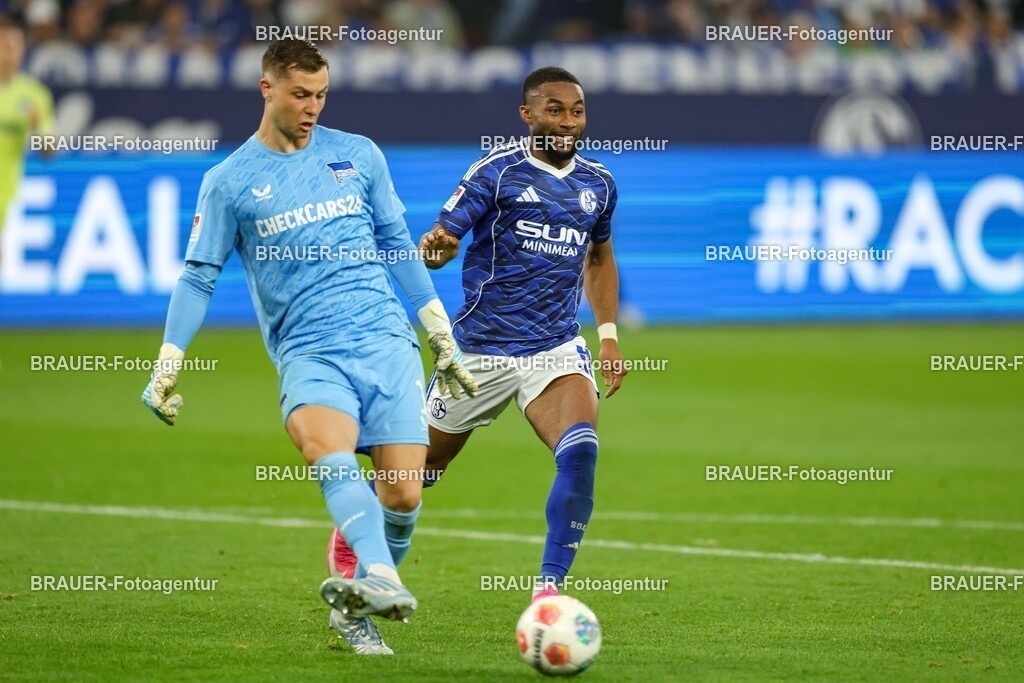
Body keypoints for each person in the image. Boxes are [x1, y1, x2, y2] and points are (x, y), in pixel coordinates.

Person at [140, 38, 476, 655]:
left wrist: (439, 330)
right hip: (309, 350)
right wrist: (167, 364)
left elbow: (397, 241)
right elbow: (198, 275)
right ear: (267, 89)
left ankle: (354, 602)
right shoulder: (229, 181)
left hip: (386, 341)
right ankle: (377, 576)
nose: (313, 106)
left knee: (403, 490)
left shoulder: (358, 155)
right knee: (329, 449)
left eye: (321, 94)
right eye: (300, 94)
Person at [328, 66, 627, 603]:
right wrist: (438, 247)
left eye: (577, 111)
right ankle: (355, 541)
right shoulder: (497, 171)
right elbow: (441, 240)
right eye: (554, 110)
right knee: (419, 473)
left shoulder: (598, 183)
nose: (567, 121)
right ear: (528, 114)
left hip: (556, 348)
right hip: (479, 352)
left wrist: (606, 334)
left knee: (581, 452)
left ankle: (548, 593)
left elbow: (599, 257)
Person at [0, 17, 54, 267]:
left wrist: (36, 127)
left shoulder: (34, 95)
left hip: (6, 191)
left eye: (14, 45)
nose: (9, 52)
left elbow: (49, 149)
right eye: (4, 44)